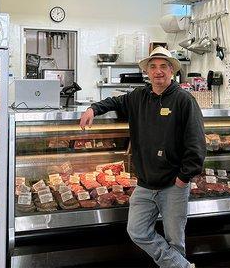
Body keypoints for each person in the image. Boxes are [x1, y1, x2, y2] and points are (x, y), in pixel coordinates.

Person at [79, 47, 205, 268]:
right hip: (145, 184)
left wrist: (183, 177)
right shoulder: (139, 96)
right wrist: (93, 108)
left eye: (163, 66)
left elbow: (196, 144)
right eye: (153, 67)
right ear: (147, 71)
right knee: (136, 230)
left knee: (175, 240)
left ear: (172, 70)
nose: (158, 71)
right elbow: (115, 102)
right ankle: (182, 266)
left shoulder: (184, 100)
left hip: (174, 184)